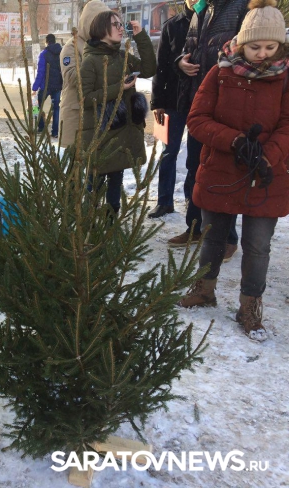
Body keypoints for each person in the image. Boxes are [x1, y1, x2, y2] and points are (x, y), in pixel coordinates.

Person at [179, 0, 289, 342]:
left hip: (265, 175)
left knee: (258, 245)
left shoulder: (285, 79)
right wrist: (236, 141)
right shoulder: (220, 71)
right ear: (241, 42)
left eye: (270, 47)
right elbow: (197, 120)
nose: (262, 54)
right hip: (221, 169)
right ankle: (204, 289)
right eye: (255, 46)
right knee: (214, 236)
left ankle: (249, 306)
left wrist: (267, 155)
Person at [168, 0, 249, 261]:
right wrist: (181, 62)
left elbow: (249, 55)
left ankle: (227, 238)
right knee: (196, 167)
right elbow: (187, 49)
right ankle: (194, 227)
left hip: (227, 107)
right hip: (198, 104)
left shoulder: (240, 8)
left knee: (223, 171)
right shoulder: (201, 10)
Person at [79, 12, 156, 213]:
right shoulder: (90, 61)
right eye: (115, 24)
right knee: (93, 188)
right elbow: (85, 99)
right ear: (101, 29)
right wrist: (119, 88)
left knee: (115, 187)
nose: (121, 28)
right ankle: (88, 232)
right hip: (101, 136)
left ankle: (111, 228)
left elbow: (149, 69)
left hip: (121, 134)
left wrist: (140, 36)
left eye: (122, 24)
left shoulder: (122, 56)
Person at [148, 0, 196, 218]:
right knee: (168, 152)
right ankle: (164, 201)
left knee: (196, 156)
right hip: (172, 101)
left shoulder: (210, 23)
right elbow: (161, 67)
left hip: (199, 102)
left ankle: (192, 200)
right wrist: (157, 102)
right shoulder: (171, 26)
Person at [59, 0, 110, 147]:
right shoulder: (71, 47)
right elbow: (72, 76)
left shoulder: (103, 46)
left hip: (97, 114)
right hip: (76, 115)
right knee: (75, 164)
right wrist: (101, 70)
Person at [32, 34, 63, 138]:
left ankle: (41, 127)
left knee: (37, 105)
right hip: (57, 86)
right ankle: (55, 132)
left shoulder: (43, 54)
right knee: (56, 109)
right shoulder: (61, 53)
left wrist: (35, 88)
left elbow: (41, 72)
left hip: (45, 86)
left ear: (47, 42)